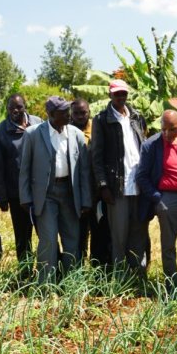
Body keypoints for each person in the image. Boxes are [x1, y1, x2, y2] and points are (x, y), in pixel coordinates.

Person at [19, 96, 91, 283]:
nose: (69, 116)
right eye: (64, 113)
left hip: (70, 193)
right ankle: (46, 285)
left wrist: (85, 199)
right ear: (50, 115)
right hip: (46, 195)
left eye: (68, 112)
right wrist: (25, 197)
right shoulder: (33, 134)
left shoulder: (76, 134)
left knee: (72, 239)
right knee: (48, 241)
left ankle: (71, 283)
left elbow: (83, 170)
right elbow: (24, 168)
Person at [136, 110, 177, 285]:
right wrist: (158, 198)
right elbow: (141, 176)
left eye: (172, 129)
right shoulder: (151, 145)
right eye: (164, 129)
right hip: (168, 200)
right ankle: (171, 286)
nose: (167, 133)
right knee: (168, 247)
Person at [91, 80, 149, 271]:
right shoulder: (101, 120)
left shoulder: (137, 117)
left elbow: (144, 147)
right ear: (110, 95)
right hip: (118, 188)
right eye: (117, 94)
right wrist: (103, 185)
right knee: (119, 237)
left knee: (139, 234)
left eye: (123, 93)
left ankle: (138, 277)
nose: (121, 97)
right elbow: (97, 157)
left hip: (139, 186)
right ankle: (120, 278)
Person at [0, 94, 42, 268]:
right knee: (22, 236)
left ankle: (50, 271)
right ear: (7, 108)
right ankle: (26, 273)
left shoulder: (38, 123)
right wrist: (1, 196)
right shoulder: (1, 130)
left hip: (41, 190)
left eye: (19, 107)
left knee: (45, 233)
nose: (15, 110)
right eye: (11, 107)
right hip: (17, 193)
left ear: (25, 106)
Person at [71, 98, 109, 266]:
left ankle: (97, 270)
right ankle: (77, 270)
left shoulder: (97, 128)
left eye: (83, 112)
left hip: (97, 191)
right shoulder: (66, 130)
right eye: (76, 113)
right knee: (78, 234)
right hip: (74, 192)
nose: (80, 116)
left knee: (98, 233)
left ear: (89, 112)